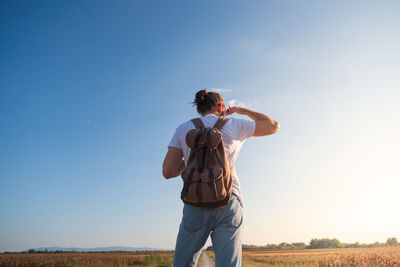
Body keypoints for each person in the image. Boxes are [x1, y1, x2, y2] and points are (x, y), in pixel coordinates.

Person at [162, 89, 279, 267]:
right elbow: (273, 126)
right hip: (228, 199)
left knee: (183, 263)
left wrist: (193, 157)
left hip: (195, 202)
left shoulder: (183, 128)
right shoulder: (234, 125)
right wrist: (241, 110)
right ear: (220, 106)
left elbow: (168, 171)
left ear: (200, 107)